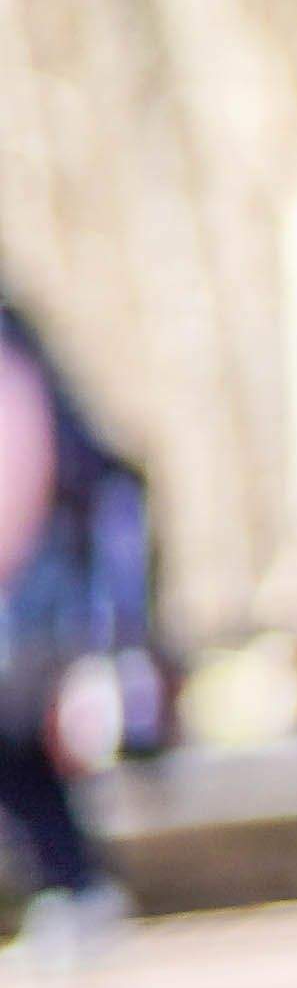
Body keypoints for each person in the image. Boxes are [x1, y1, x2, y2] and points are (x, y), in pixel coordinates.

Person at [0, 290, 156, 952]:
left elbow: (19, 466)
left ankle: (77, 886)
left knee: (19, 734)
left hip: (37, 578)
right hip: (36, 575)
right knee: (20, 742)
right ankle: (75, 886)